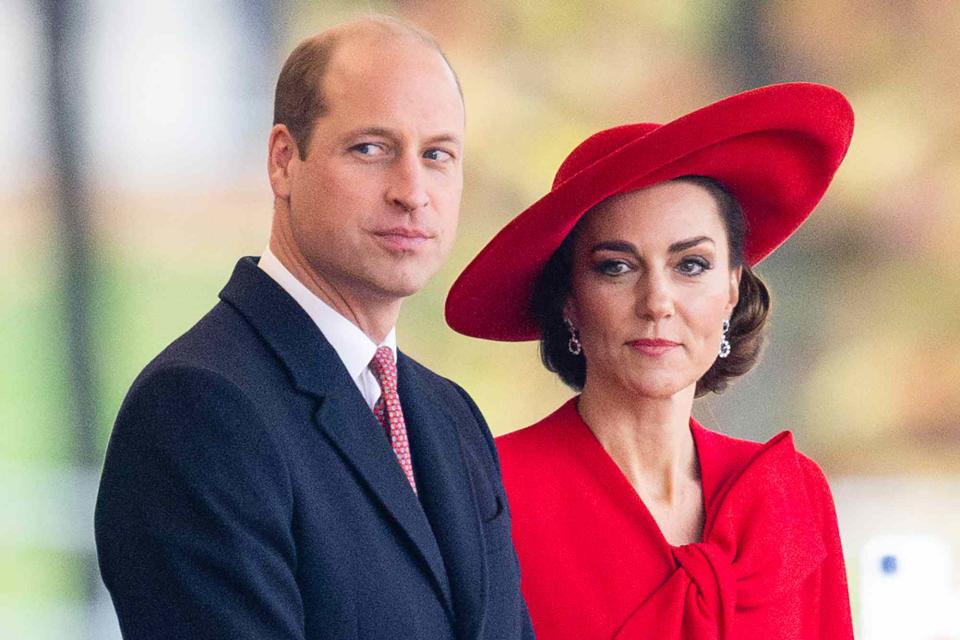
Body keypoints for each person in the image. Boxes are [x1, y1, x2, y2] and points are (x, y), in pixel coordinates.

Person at [95, 16, 533, 640]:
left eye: (437, 154)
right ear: (282, 161)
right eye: (371, 149)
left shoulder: (450, 416)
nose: (413, 191)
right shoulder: (197, 409)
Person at [445, 83, 855, 639]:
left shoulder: (789, 493)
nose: (657, 302)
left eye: (691, 265)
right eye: (616, 267)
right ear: (569, 297)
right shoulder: (485, 494)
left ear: (734, 287)